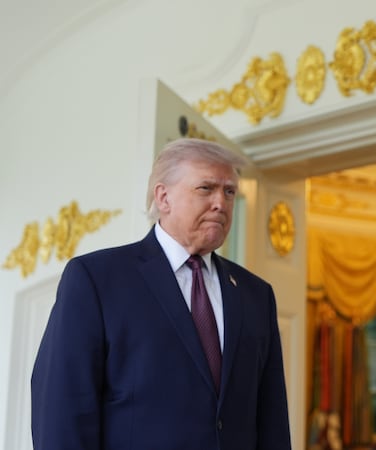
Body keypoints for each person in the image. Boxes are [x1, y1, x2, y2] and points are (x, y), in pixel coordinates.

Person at [31, 138, 292, 450]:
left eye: (230, 191)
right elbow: (62, 406)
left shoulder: (256, 295)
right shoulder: (97, 279)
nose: (221, 203)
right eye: (206, 188)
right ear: (163, 197)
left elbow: (272, 416)